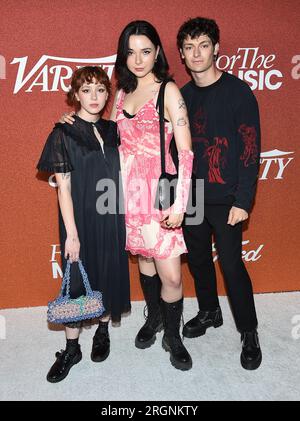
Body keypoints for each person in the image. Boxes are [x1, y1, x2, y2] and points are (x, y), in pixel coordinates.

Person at [62, 21, 194, 370]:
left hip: (162, 195)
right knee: (146, 262)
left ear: (157, 53)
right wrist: (71, 127)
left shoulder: (169, 92)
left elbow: (186, 154)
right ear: (123, 55)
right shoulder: (119, 94)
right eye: (131, 52)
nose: (138, 59)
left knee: (173, 276)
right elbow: (104, 138)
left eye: (146, 51)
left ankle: (173, 335)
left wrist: (181, 203)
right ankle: (154, 319)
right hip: (124, 195)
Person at [177, 17, 262, 370]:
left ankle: (250, 331)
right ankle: (210, 311)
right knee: (197, 260)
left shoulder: (238, 92)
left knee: (230, 264)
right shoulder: (181, 95)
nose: (196, 53)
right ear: (182, 54)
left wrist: (243, 201)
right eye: (189, 47)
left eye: (203, 45)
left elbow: (250, 148)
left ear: (216, 49)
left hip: (227, 197)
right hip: (193, 195)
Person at [37, 66, 131, 383]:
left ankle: (103, 330)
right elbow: (63, 187)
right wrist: (72, 234)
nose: (94, 96)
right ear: (75, 94)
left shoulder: (113, 129)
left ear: (108, 94)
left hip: (112, 217)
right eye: (86, 90)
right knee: (77, 284)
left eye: (100, 90)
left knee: (108, 273)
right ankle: (72, 347)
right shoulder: (63, 133)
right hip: (80, 221)